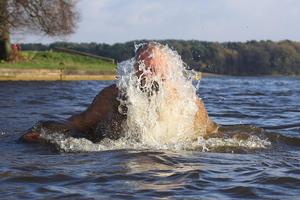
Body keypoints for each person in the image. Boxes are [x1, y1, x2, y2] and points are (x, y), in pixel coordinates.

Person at [21, 42, 218, 143]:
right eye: (144, 71)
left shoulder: (188, 103)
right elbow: (78, 122)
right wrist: (46, 133)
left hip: (171, 165)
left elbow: (211, 131)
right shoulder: (114, 96)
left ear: (169, 71)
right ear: (134, 70)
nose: (149, 79)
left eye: (156, 72)